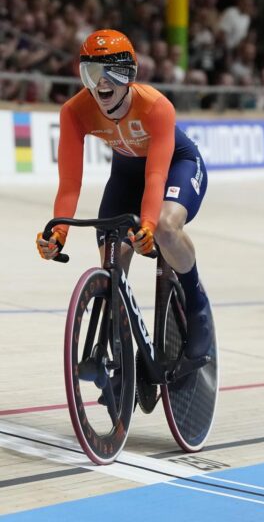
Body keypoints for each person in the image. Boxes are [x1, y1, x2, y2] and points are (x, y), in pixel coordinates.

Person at [36, 29, 212, 360]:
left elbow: (156, 176)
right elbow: (70, 183)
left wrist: (147, 224)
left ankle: (196, 302)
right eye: (90, 72)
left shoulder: (156, 106)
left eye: (109, 73)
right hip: (127, 174)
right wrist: (58, 232)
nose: (100, 84)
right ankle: (120, 354)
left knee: (164, 227)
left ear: (128, 74)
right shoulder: (74, 112)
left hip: (177, 165)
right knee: (113, 260)